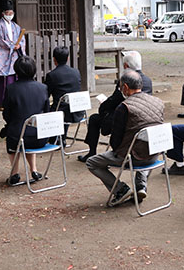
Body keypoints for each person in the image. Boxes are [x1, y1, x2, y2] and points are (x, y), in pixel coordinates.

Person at [86, 70, 164, 206]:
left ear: (125, 87)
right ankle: (141, 184)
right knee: (143, 146)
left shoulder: (124, 107)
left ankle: (121, 190)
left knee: (92, 162)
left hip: (132, 157)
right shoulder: (158, 102)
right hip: (155, 153)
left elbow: (115, 143)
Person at [79, 51, 152, 163]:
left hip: (124, 120)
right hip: (144, 120)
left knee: (94, 118)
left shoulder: (125, 81)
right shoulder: (148, 81)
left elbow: (113, 101)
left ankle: (92, 151)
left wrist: (103, 105)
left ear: (126, 66)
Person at [2, 56, 50, 186]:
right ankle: (34, 170)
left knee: (14, 134)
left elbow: (6, 114)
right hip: (40, 137)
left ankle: (15, 173)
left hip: (18, 138)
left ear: (16, 70)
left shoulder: (11, 89)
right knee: (30, 129)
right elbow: (47, 112)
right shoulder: (43, 88)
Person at [0, 0, 26, 109]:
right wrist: (12, 46)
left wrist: (19, 46)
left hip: (13, 56)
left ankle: (13, 101)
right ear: (3, 13)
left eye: (11, 13)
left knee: (14, 78)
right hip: (3, 57)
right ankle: (1, 102)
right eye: (8, 13)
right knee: (2, 80)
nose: (10, 15)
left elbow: (21, 39)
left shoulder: (16, 26)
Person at [43, 46, 83, 141]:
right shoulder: (76, 72)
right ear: (68, 58)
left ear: (54, 59)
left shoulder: (52, 75)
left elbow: (46, 95)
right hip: (77, 111)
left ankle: (55, 138)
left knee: (49, 106)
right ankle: (61, 138)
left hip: (60, 113)